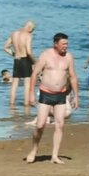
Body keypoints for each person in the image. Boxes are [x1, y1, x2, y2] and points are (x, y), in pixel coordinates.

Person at [25, 33, 79, 164]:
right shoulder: (46, 55)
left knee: (60, 125)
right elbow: (34, 74)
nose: (66, 46)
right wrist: (31, 93)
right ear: (56, 44)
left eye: (67, 44)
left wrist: (76, 96)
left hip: (61, 94)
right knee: (40, 125)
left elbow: (72, 77)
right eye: (63, 44)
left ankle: (54, 156)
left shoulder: (69, 57)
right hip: (45, 93)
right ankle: (34, 149)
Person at [3, 21, 36, 107]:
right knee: (27, 84)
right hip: (25, 60)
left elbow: (5, 47)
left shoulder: (14, 34)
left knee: (14, 84)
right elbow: (29, 52)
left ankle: (11, 104)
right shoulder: (28, 35)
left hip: (17, 60)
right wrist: (35, 61)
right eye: (32, 30)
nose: (32, 32)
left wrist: (14, 54)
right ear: (29, 28)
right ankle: (26, 105)